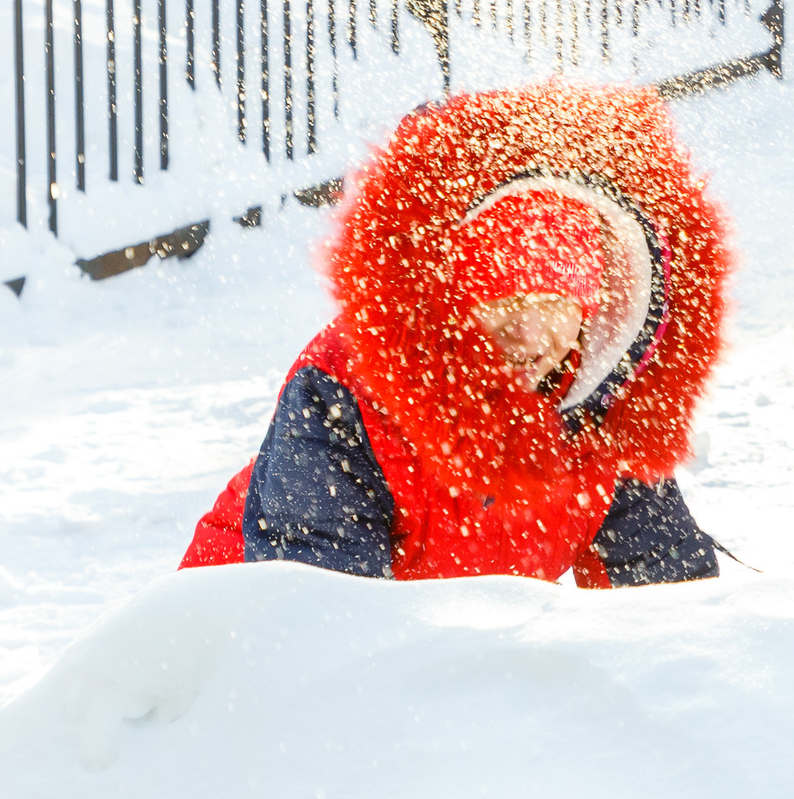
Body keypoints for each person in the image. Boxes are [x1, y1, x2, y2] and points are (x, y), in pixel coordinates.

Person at [180, 82, 728, 585]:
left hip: (449, 650)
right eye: (499, 302)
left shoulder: (602, 403)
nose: (531, 335)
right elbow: (322, 618)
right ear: (439, 303)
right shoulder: (341, 397)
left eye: (555, 302)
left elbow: (663, 594)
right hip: (227, 639)